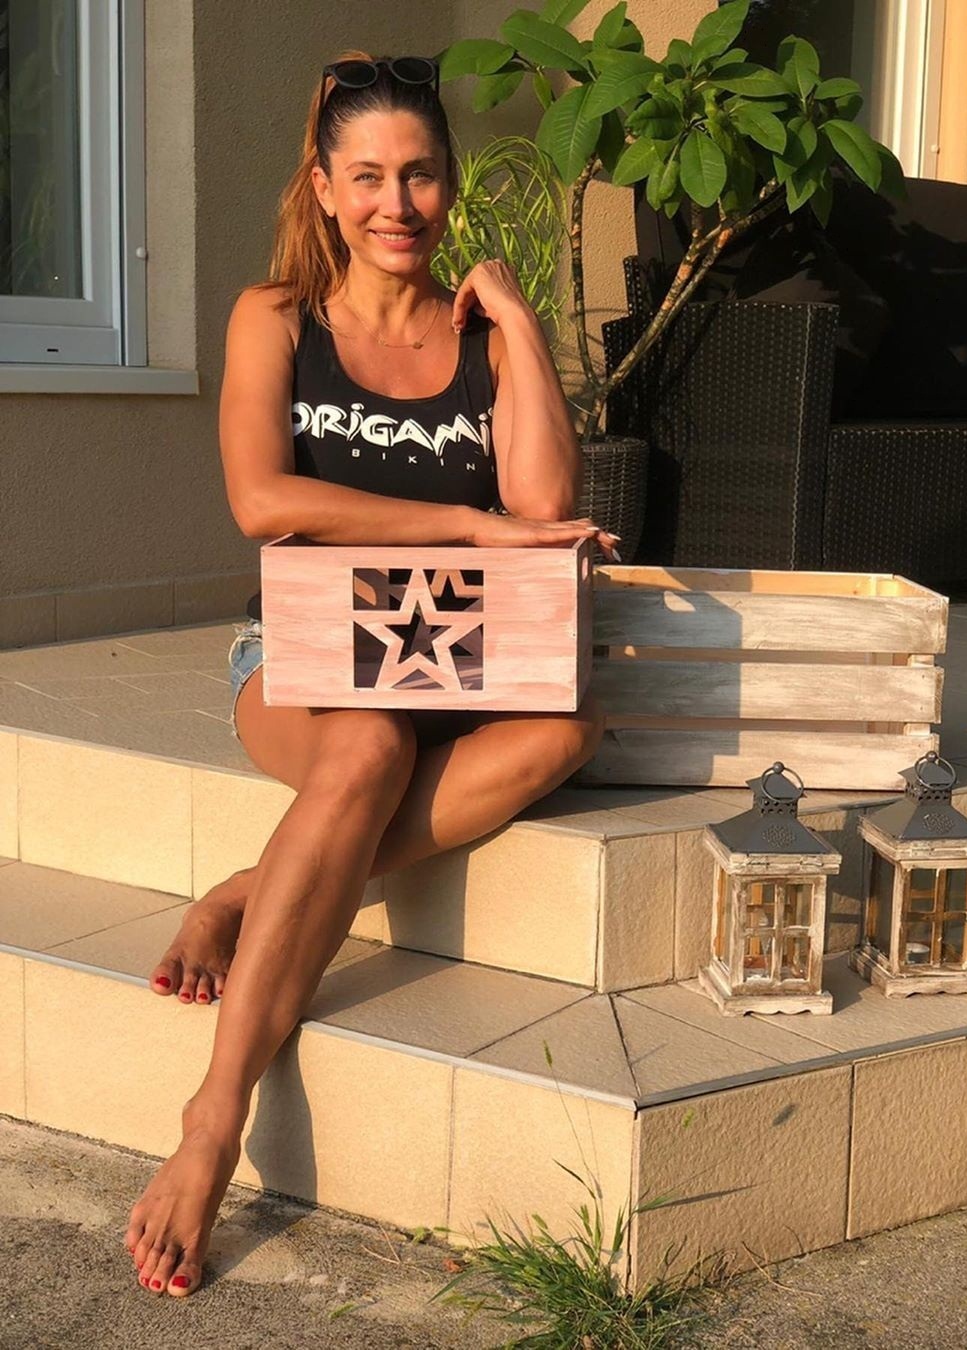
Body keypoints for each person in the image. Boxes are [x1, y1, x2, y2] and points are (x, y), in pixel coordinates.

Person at [123, 50, 618, 1297]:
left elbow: (545, 505)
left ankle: (249, 894)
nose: (398, 204)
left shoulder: (479, 339)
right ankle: (213, 1120)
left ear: (450, 183)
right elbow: (261, 500)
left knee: (566, 731)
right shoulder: (277, 318)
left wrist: (516, 321)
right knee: (368, 744)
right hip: (301, 653)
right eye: (369, 178)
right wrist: (461, 526)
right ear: (326, 187)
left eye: (421, 175)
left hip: (452, 657)